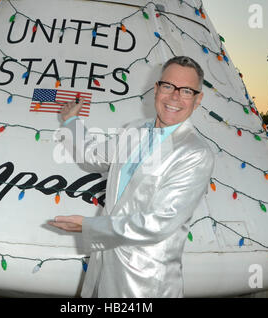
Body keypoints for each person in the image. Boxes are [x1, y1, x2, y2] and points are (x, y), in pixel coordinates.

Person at [48, 56, 214, 297]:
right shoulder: (134, 130)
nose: (175, 97)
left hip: (143, 283)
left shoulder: (196, 153)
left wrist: (89, 226)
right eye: (168, 86)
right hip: (102, 269)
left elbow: (159, 223)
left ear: (198, 99)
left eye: (186, 91)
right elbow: (93, 157)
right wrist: (72, 121)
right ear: (156, 89)